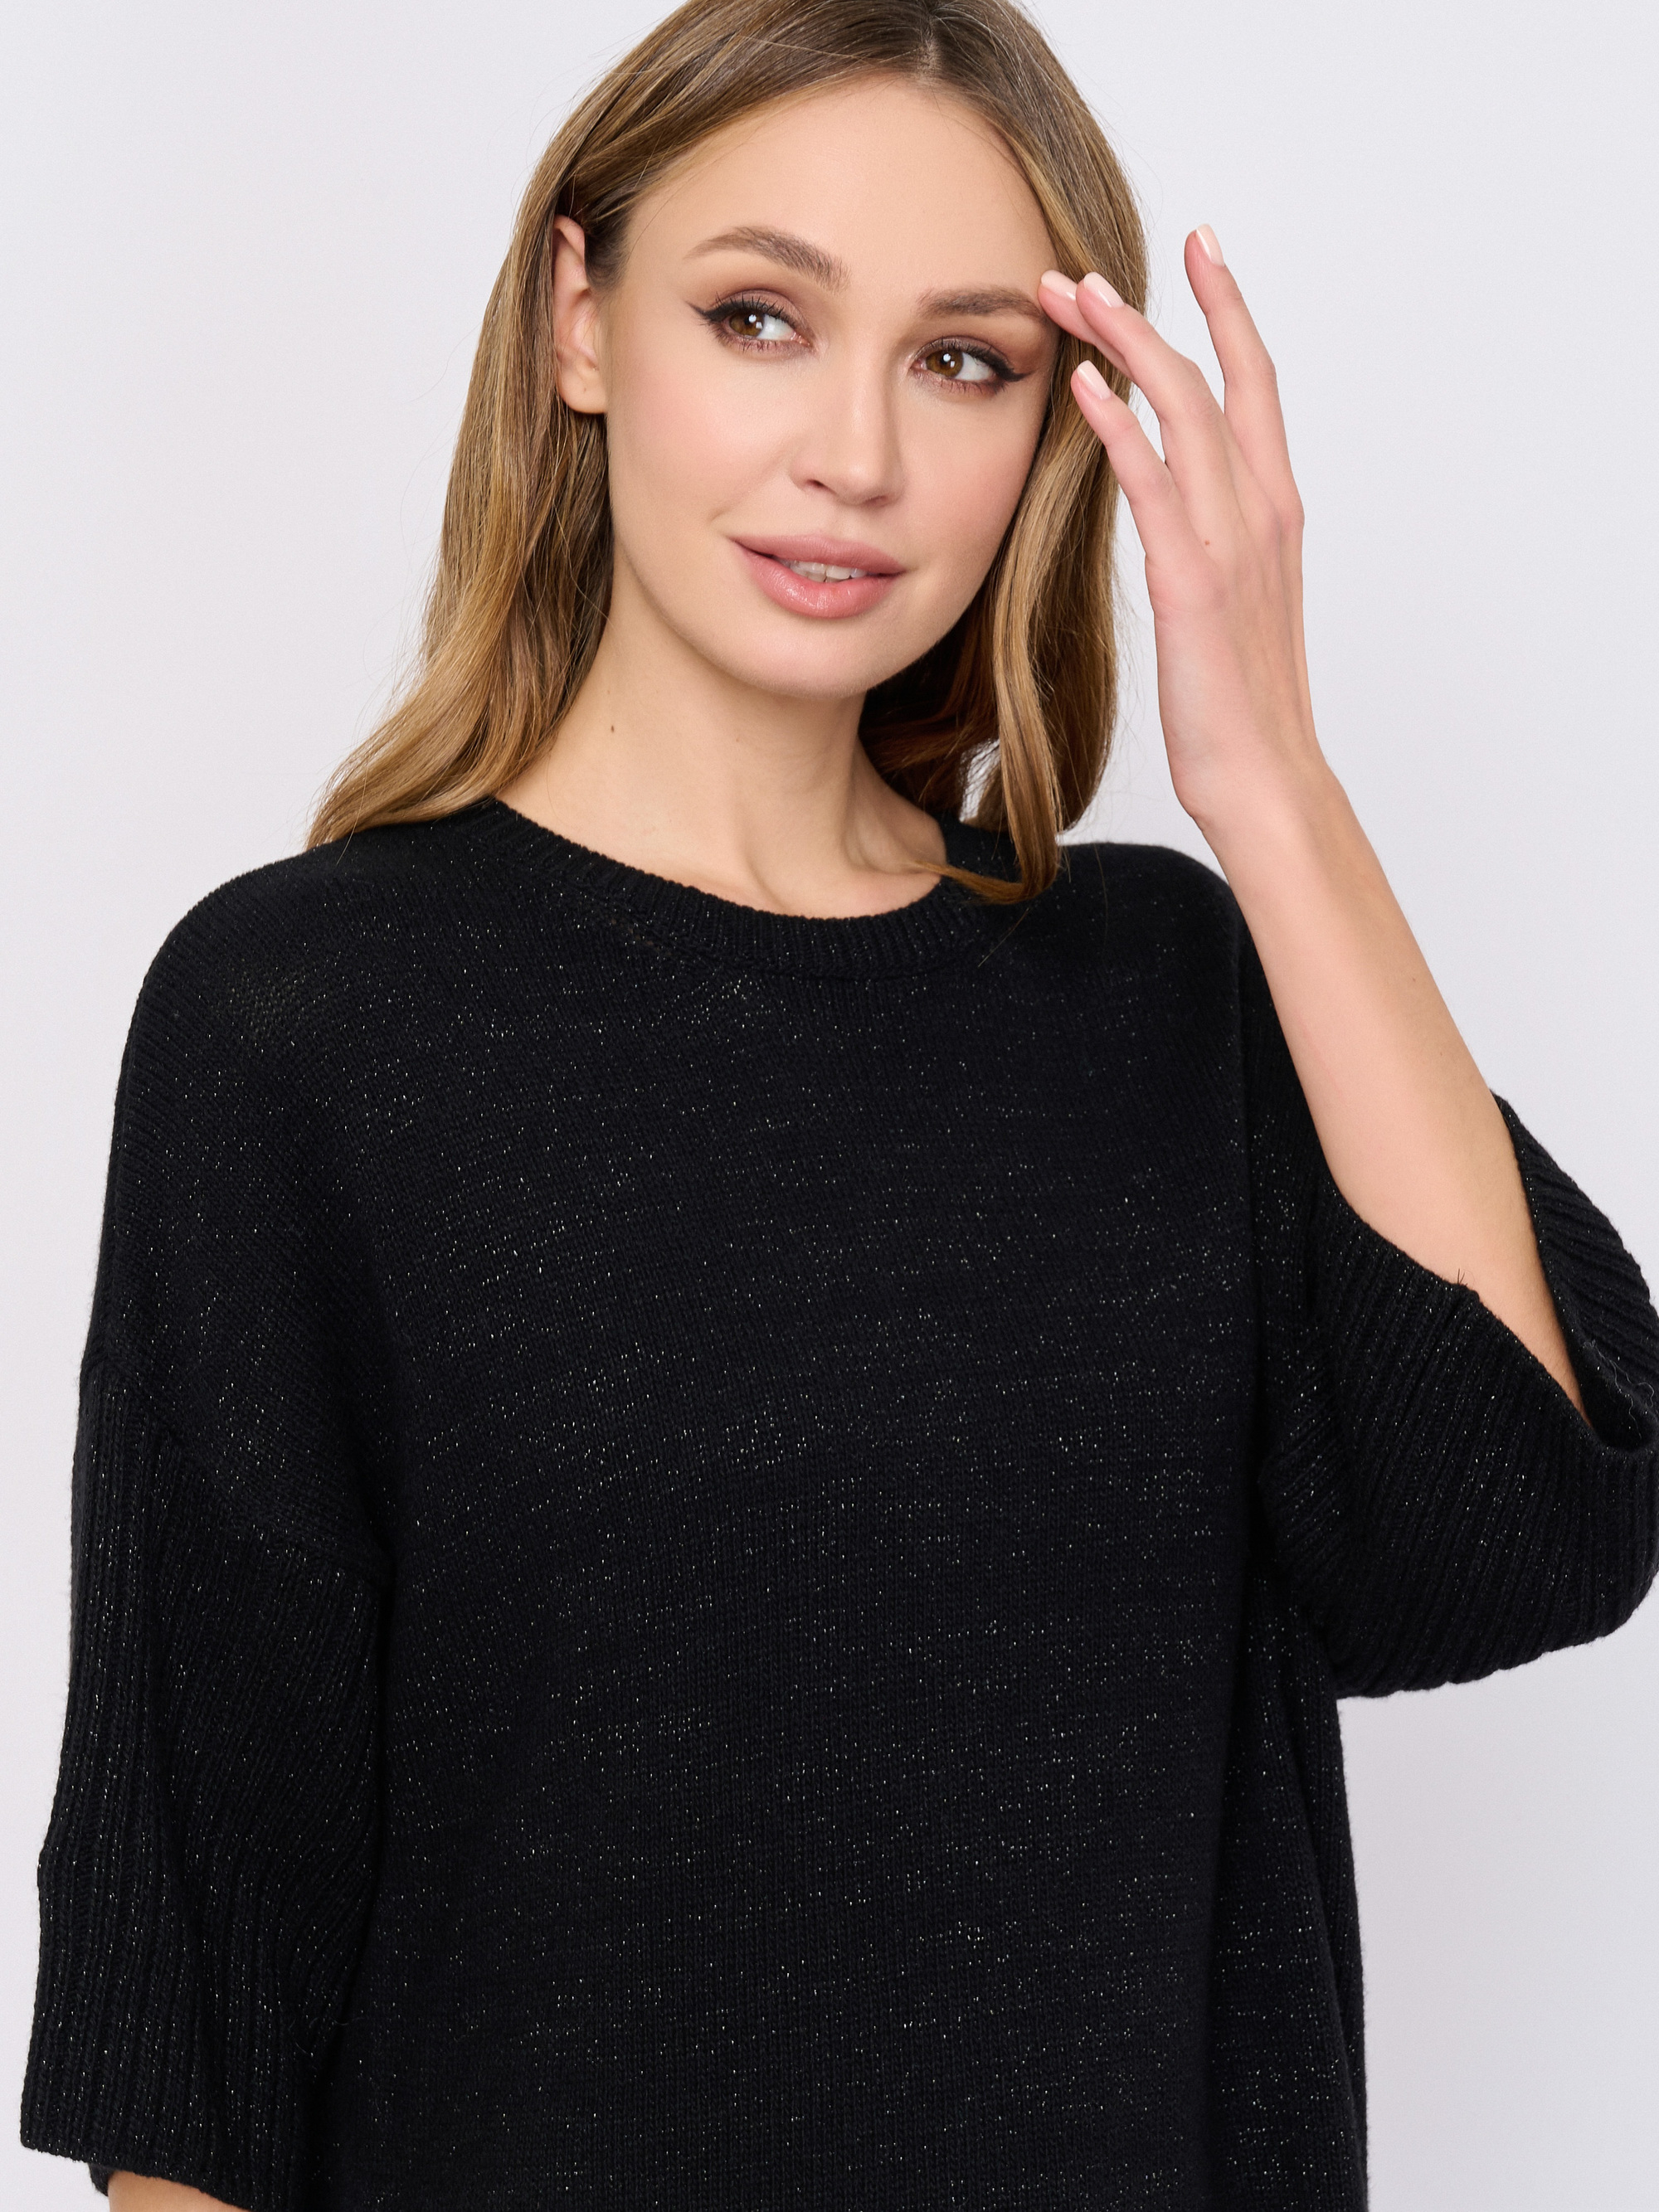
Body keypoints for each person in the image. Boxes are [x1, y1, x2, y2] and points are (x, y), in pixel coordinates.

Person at [21, 0, 1659, 2205]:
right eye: (760, 317)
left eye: (964, 360)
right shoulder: (303, 1021)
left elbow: (1521, 1529)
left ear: (1060, 422)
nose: (857, 456)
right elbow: (202, 1971)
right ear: (580, 319)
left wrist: (1272, 780)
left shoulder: (1165, 989)